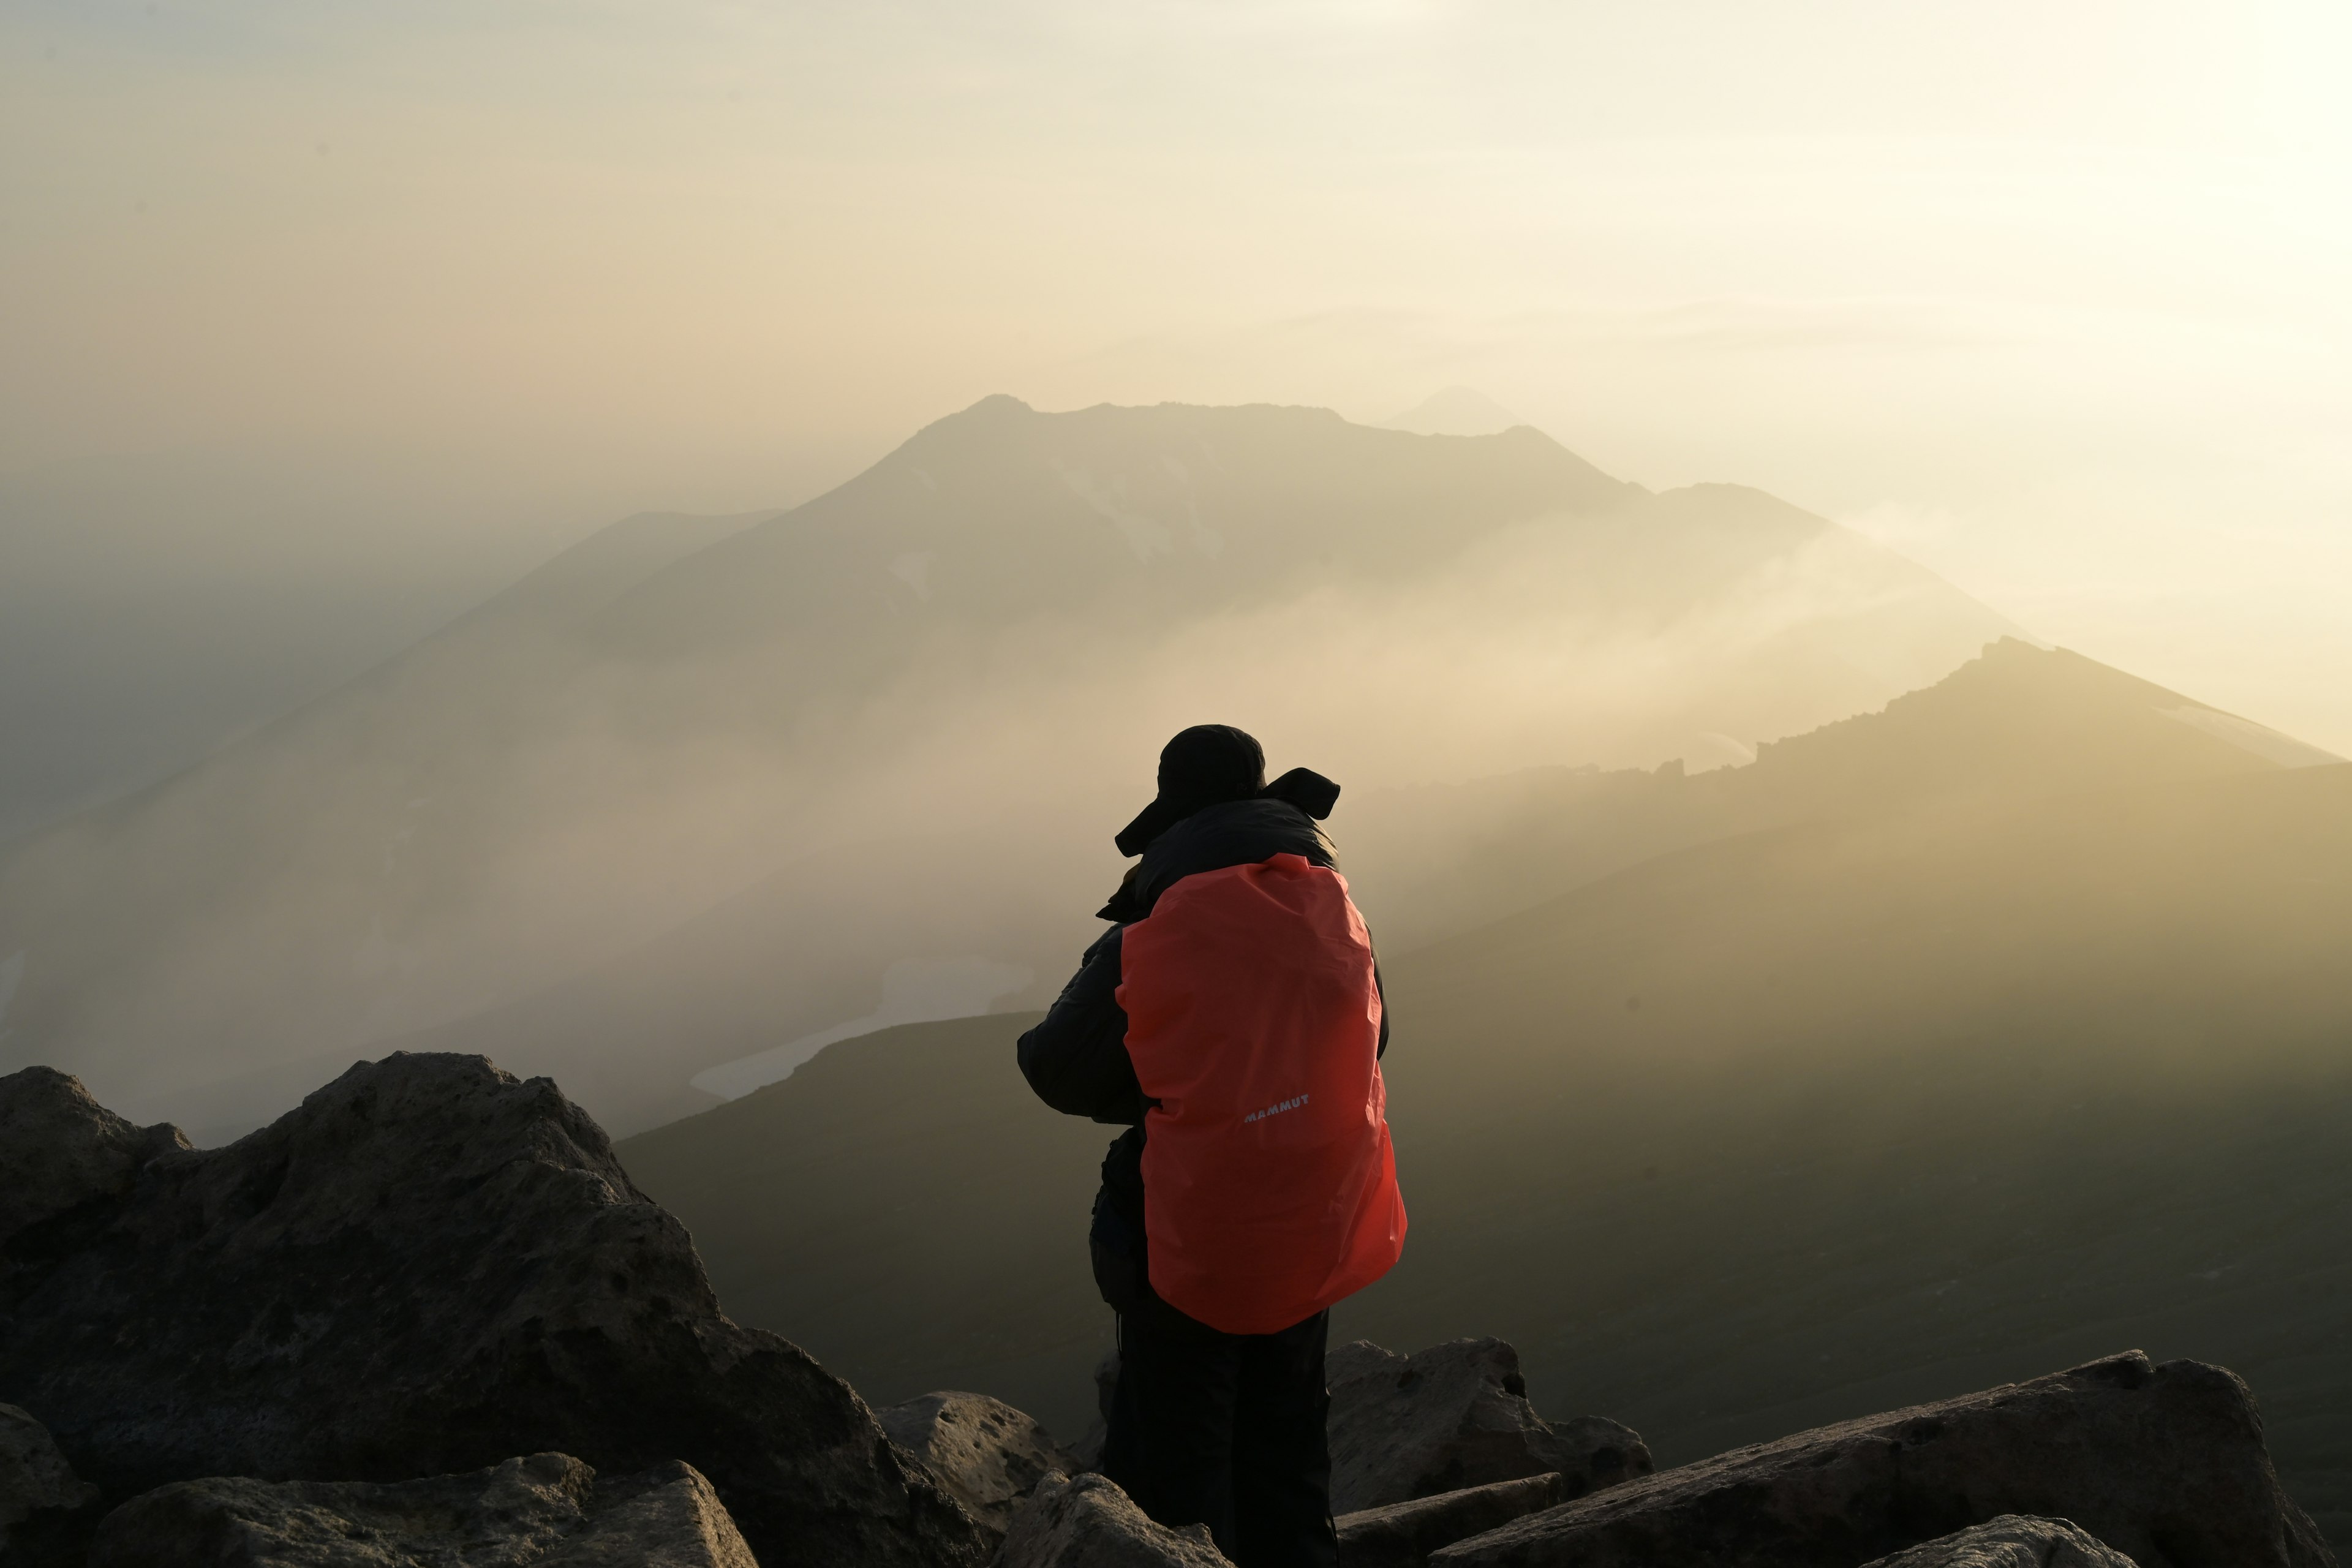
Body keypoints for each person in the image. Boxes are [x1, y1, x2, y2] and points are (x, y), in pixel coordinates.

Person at [1017, 725, 1406, 1568]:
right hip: (1315, 1217)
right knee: (1289, 1460)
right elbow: (1370, 1038)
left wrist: (1180, 1089)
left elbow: (1057, 1068)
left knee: (1173, 1477)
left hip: (1193, 1235)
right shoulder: (1327, 906)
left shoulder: (1156, 926)